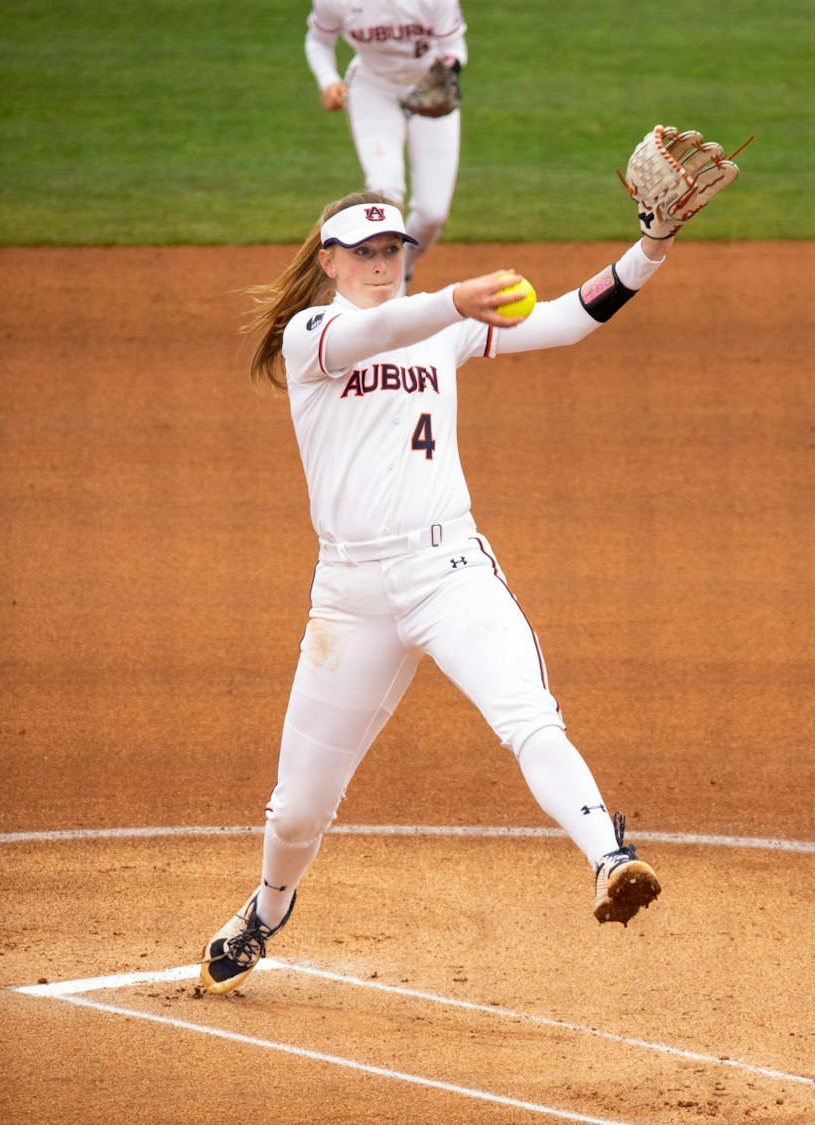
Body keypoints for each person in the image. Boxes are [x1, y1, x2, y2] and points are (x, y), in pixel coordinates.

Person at [200, 126, 741, 995]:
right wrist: (455, 298)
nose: (382, 261)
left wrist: (651, 246)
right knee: (299, 804)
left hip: (449, 571)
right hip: (351, 600)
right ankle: (265, 910)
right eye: (364, 251)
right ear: (331, 262)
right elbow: (392, 325)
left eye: (392, 249)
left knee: (528, 715)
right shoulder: (313, 338)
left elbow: (566, 321)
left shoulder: (442, 329)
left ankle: (611, 857)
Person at [303, 0, 467, 282]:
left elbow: (454, 46)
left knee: (433, 213)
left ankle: (401, 268)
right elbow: (319, 39)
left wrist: (448, 71)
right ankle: (389, 288)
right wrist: (328, 81)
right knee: (386, 193)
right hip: (372, 88)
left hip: (428, 89)